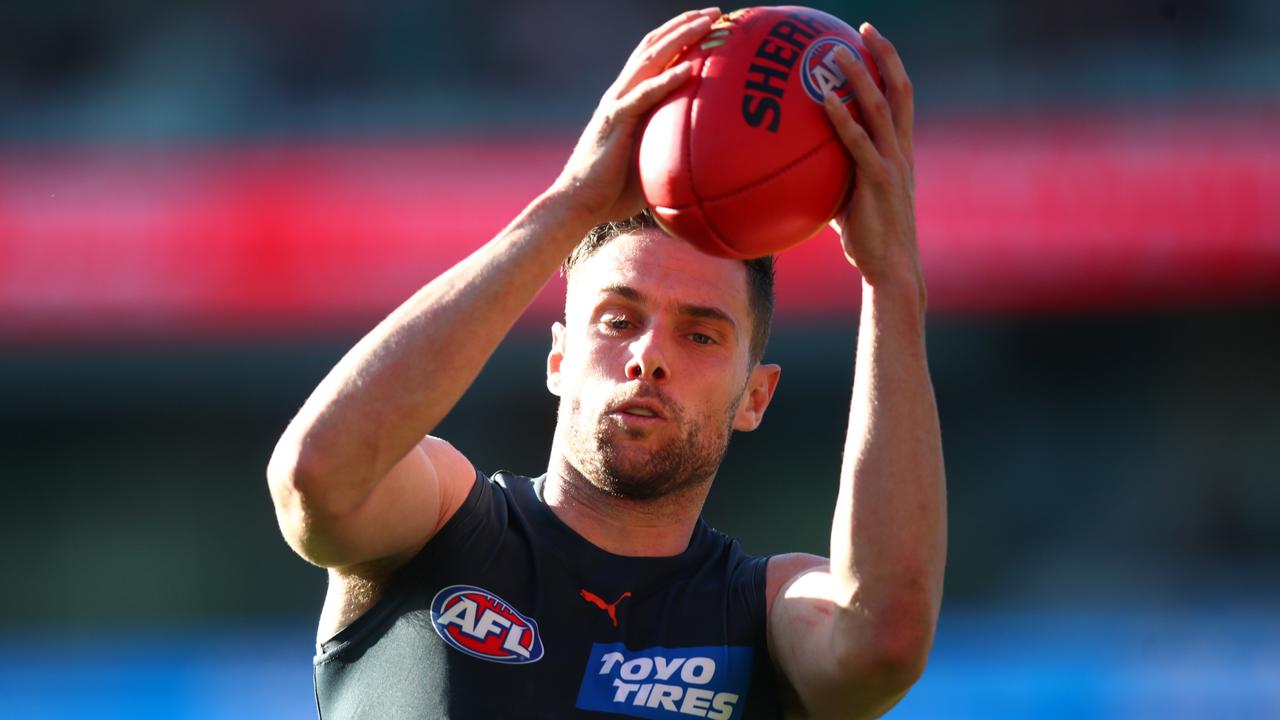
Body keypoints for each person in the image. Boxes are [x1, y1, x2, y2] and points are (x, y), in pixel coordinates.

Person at [267, 7, 945, 719]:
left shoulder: (765, 612)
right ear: (559, 355)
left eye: (702, 336)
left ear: (756, 397)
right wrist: (570, 203)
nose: (649, 355)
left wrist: (891, 284)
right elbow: (318, 477)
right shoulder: (444, 525)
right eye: (618, 320)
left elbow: (885, 642)